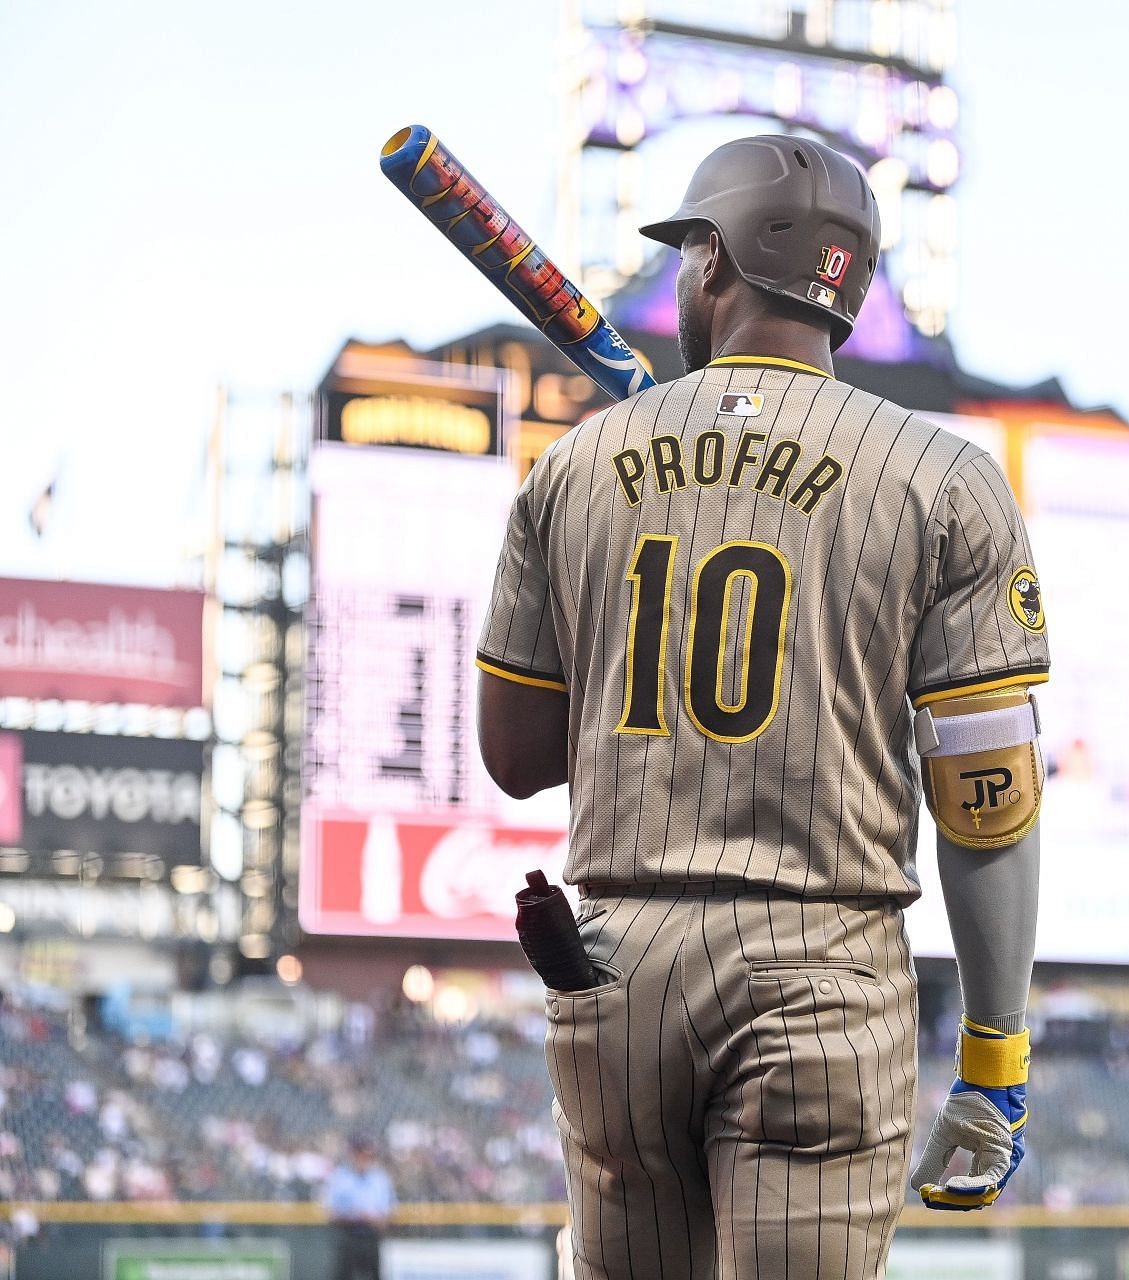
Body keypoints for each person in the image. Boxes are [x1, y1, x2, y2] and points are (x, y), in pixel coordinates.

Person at [475, 134, 1049, 1280]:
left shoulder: (578, 467)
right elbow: (988, 801)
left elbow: (516, 754)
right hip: (824, 968)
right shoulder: (942, 478)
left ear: (717, 264)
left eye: (692, 245)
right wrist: (993, 1053)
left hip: (616, 967)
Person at [322, 1135, 392, 1280]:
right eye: (358, 1153)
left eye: (365, 1153)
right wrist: (357, 1215)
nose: (362, 1157)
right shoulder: (340, 1176)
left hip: (371, 1237)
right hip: (347, 1236)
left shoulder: (379, 1178)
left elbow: (386, 1215)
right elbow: (332, 1213)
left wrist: (371, 1218)